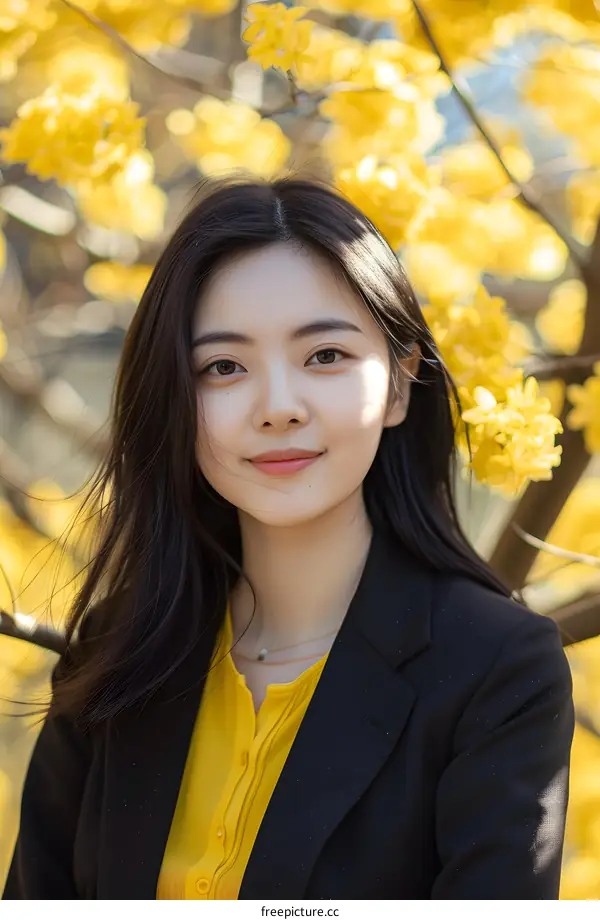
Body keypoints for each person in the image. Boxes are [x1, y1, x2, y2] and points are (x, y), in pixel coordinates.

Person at [3, 175, 574, 900]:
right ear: (177, 399)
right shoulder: (119, 651)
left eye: (325, 356)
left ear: (399, 385)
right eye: (223, 367)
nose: (277, 407)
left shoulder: (497, 671)